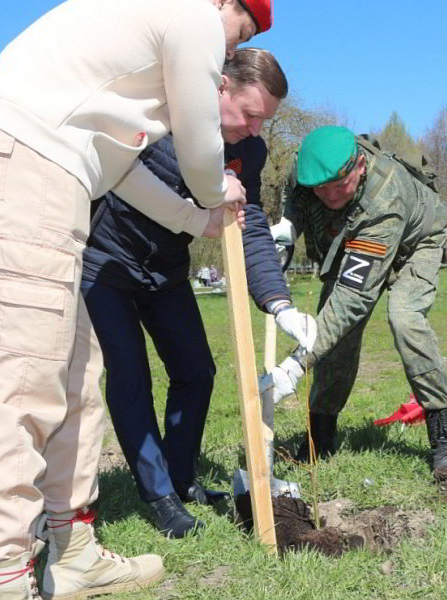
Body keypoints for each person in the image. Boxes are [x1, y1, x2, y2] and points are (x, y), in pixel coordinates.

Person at [0, 1, 272, 598]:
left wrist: (196, 222)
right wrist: (217, 187)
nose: (226, 52)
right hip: (25, 171)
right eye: (239, 33)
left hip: (44, 175)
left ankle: (73, 550)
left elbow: (123, 176)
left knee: (76, 378)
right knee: (21, 388)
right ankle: (6, 580)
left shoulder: (131, 62)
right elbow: (202, 156)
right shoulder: (190, 15)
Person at [81, 47, 314, 539]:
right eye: (250, 115)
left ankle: (181, 479)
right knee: (131, 374)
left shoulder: (247, 150)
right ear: (219, 87)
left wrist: (279, 302)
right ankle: (159, 496)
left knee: (196, 370)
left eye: (264, 121)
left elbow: (246, 224)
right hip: (105, 264)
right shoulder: (159, 120)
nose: (255, 129)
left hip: (165, 270)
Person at [265, 126, 447, 471]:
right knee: (335, 338)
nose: (329, 195)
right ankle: (320, 437)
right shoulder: (303, 168)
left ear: (359, 165)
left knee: (405, 319)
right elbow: (297, 200)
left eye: (338, 185)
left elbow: (352, 299)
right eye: (321, 188)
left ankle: (445, 437)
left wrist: (296, 365)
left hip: (416, 242)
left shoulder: (384, 199)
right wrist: (288, 228)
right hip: (350, 240)